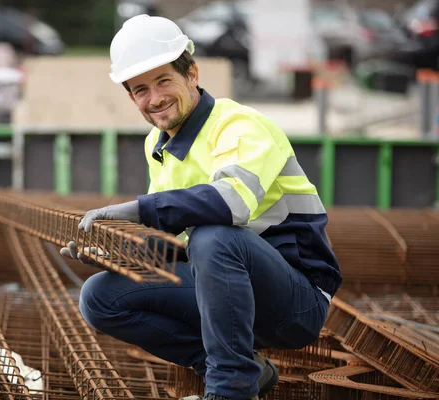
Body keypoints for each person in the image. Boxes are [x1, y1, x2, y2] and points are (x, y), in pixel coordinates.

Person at [60, 14, 342, 400]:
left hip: (296, 302)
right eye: (140, 89)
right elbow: (181, 243)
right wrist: (121, 255)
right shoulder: (156, 145)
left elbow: (230, 204)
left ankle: (229, 390)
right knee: (100, 296)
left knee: (215, 236)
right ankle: (241, 369)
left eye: (164, 81)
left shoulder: (239, 125)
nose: (154, 98)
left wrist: (139, 209)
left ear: (191, 74)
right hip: (226, 292)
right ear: (130, 97)